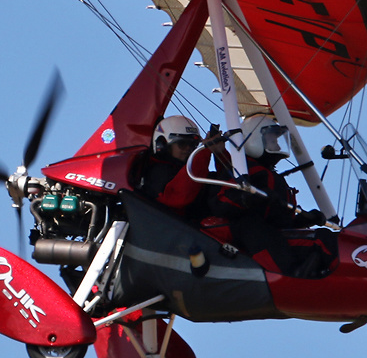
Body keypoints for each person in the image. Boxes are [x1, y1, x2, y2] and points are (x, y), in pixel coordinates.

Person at [208, 114, 333, 277]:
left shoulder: (270, 175)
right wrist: (249, 198)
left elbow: (277, 218)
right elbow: (221, 202)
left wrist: (301, 220)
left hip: (274, 234)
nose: (276, 144)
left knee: (326, 238)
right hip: (247, 234)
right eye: (272, 140)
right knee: (254, 226)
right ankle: (289, 276)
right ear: (254, 140)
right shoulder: (243, 169)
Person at [135, 115, 220, 217]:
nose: (188, 149)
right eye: (182, 143)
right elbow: (178, 197)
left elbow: (220, 182)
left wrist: (220, 153)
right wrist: (204, 152)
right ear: (162, 145)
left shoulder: (190, 170)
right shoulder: (157, 172)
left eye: (193, 145)